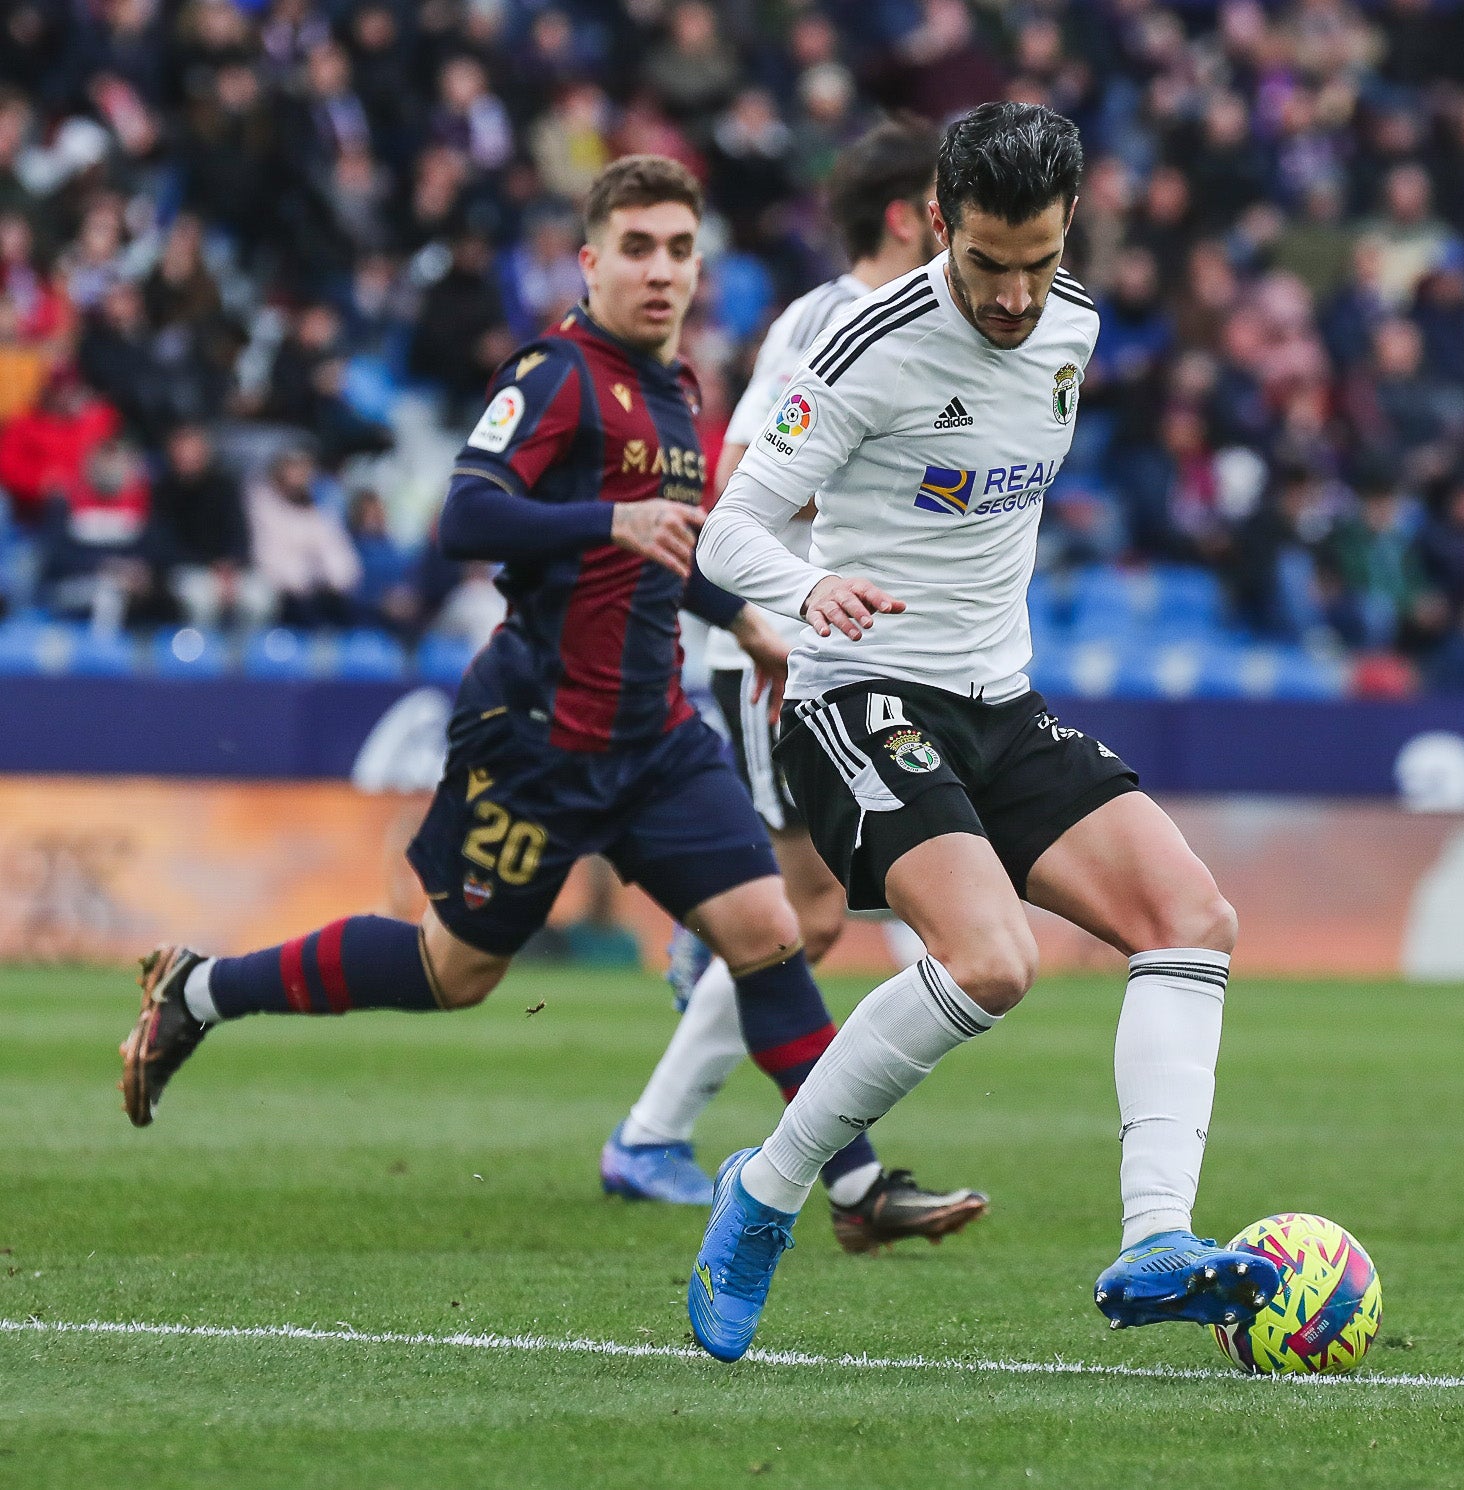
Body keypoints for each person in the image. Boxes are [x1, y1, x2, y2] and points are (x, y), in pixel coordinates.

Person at [116, 155, 983, 1258]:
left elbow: (667, 540)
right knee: (454, 969)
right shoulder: (557, 374)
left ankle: (855, 1185)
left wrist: (747, 619)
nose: (660, 270)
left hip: (656, 734)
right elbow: (467, 519)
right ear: (590, 261)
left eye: (679, 248)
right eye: (637, 247)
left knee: (770, 933)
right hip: (538, 737)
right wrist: (603, 525)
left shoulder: (678, 391)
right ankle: (204, 987)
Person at [684, 102, 1278, 1363]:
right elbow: (732, 526)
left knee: (1193, 921)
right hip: (858, 696)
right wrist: (804, 593)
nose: (1013, 294)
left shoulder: (1075, 326)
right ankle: (769, 1190)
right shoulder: (860, 346)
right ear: (938, 223)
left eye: (1039, 260)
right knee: (993, 960)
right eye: (987, 261)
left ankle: (1156, 1239)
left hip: (998, 703)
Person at [599, 120, 950, 1222]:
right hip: (771, 648)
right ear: (908, 216)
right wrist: (784, 601)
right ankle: (657, 1132)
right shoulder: (833, 321)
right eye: (952, 204)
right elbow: (743, 477)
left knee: (805, 912)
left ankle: (672, 1105)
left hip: (840, 651)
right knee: (801, 913)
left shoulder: (913, 325)